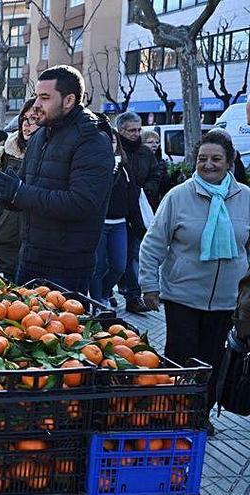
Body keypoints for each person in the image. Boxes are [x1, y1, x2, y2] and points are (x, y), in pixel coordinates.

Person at [140, 131, 250, 426]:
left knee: (215, 360)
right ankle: (173, 411)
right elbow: (153, 243)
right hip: (182, 295)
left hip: (228, 299)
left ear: (230, 161)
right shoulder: (178, 196)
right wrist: (149, 284)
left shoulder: (246, 198)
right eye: (202, 159)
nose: (208, 165)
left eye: (216, 159)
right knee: (181, 357)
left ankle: (200, 414)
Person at [0, 65, 115, 293]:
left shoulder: (92, 140)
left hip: (65, 269)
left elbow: (81, 203)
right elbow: (27, 192)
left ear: (69, 100)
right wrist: (4, 194)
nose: (36, 104)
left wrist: (18, 192)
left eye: (45, 97)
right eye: (36, 96)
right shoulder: (40, 135)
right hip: (28, 258)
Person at [90, 133, 144, 307]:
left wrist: (138, 226)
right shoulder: (92, 166)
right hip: (98, 224)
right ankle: (97, 301)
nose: (109, 145)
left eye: (112, 141)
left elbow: (132, 199)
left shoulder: (124, 169)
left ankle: (105, 294)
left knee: (119, 266)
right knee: (97, 268)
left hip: (119, 224)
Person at [0, 100, 39, 281]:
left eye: (33, 119)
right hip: (6, 236)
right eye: (24, 118)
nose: (26, 124)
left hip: (35, 240)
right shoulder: (8, 153)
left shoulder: (49, 154)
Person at [114, 112, 159, 313]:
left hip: (140, 211)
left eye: (138, 129)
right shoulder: (115, 151)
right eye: (132, 130)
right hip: (118, 211)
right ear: (121, 130)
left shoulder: (145, 153)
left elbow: (156, 174)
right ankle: (107, 292)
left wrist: (148, 189)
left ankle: (133, 296)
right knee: (114, 259)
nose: (136, 133)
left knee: (134, 254)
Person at [140, 129, 170, 208]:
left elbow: (164, 186)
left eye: (157, 142)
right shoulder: (138, 160)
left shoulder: (161, 161)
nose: (155, 145)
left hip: (157, 204)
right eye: (150, 142)